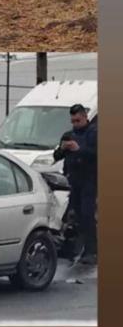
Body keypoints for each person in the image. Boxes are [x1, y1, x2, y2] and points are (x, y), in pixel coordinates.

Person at [53, 104, 98, 265]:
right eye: (73, 121)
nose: (75, 124)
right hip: (72, 179)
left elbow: (95, 154)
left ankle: (92, 250)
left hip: (89, 179)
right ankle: (74, 246)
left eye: (78, 120)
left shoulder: (93, 133)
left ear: (85, 117)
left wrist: (79, 149)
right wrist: (63, 148)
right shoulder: (68, 135)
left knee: (87, 214)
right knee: (74, 214)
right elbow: (56, 156)